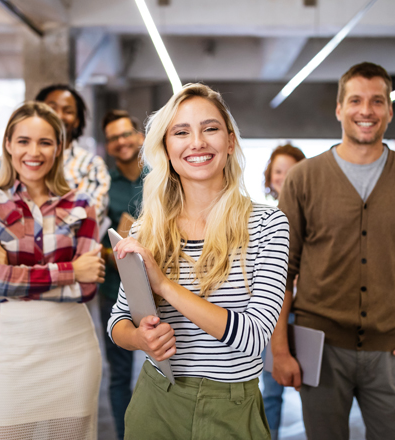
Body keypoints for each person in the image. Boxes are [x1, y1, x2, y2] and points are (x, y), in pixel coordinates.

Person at [271, 62, 395, 440]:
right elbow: (280, 270)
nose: (366, 110)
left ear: (390, 110)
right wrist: (280, 349)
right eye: (355, 100)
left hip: (392, 352)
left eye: (377, 101)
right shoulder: (303, 179)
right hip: (317, 347)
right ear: (339, 109)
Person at [107, 84, 290, 439]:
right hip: (156, 402)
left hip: (233, 408)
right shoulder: (148, 230)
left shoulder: (268, 225)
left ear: (231, 142)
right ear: (167, 148)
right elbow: (118, 321)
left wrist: (163, 286)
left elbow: (253, 338)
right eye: (181, 132)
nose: (197, 142)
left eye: (210, 128)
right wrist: (141, 340)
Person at [0, 102, 106, 440]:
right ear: (8, 145)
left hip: (73, 351)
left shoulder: (81, 205)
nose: (34, 152)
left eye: (45, 142)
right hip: (16, 353)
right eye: (24, 141)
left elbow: (87, 288)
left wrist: (13, 269)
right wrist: (71, 269)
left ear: (59, 148)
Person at [0, 84, 110, 223]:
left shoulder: (91, 165)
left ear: (77, 120)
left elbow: (85, 222)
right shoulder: (13, 158)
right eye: (52, 108)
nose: (58, 115)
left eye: (68, 111)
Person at [99, 109, 146, 440]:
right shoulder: (103, 189)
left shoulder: (164, 179)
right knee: (119, 375)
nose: (121, 142)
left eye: (125, 134)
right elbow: (92, 246)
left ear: (140, 137)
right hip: (114, 290)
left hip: (164, 288)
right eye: (113, 138)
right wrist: (116, 248)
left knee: (171, 363)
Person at [260, 143, 305, 440]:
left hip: (305, 315)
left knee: (313, 391)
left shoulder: (312, 216)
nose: (284, 177)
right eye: (278, 171)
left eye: (291, 171)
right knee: (270, 391)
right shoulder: (261, 217)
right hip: (271, 316)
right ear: (269, 176)